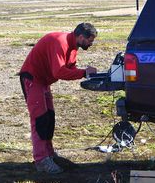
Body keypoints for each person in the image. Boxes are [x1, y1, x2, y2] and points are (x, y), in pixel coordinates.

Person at [19, 22, 97, 174]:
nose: (91, 44)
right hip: (33, 79)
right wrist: (83, 73)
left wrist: (85, 73)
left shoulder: (73, 46)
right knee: (40, 120)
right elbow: (59, 72)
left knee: (49, 118)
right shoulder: (60, 43)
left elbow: (70, 69)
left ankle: (49, 154)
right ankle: (41, 160)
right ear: (81, 36)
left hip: (44, 81)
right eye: (90, 40)